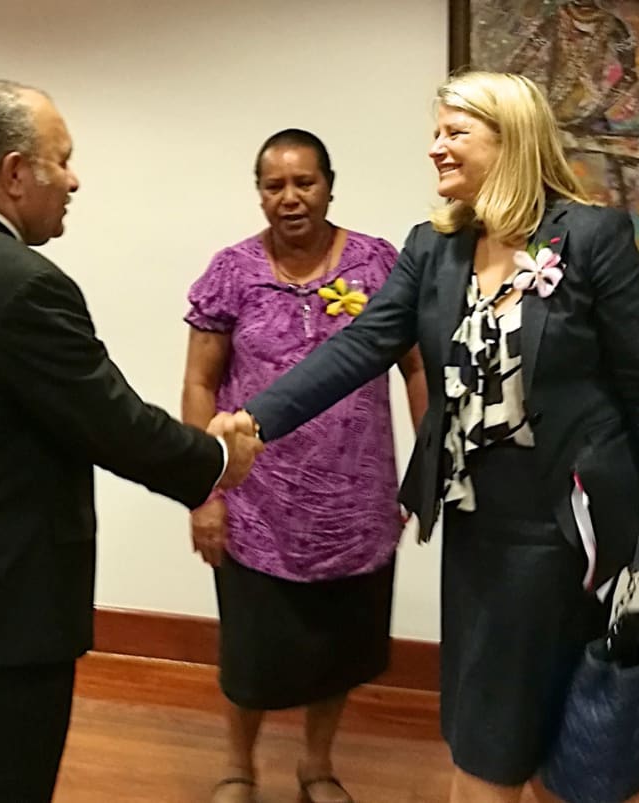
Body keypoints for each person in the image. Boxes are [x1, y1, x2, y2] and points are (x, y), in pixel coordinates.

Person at [217, 72, 639, 803]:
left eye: (454, 132)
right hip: (477, 520)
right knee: (492, 710)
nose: (435, 147)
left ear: (510, 140)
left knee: (523, 719)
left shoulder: (593, 239)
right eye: (436, 132)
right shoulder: (433, 249)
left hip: (567, 524)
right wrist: (256, 419)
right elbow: (361, 347)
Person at [0, 79, 261, 803]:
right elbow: (112, 424)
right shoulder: (21, 284)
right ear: (13, 173)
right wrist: (219, 460)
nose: (73, 179)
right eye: (60, 160)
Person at [181, 128, 426, 803]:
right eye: (274, 185)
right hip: (256, 504)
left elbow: (415, 366)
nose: (290, 198)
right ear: (259, 193)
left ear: (329, 184)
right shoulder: (231, 271)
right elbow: (200, 385)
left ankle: (316, 764)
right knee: (251, 653)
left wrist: (426, 466)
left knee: (338, 648)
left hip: (356, 499)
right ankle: (239, 765)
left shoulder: (381, 265)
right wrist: (203, 491)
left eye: (304, 182)